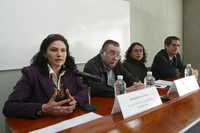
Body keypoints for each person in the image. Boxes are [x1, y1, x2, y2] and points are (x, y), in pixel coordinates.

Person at [3, 34, 88, 119]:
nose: (59, 54)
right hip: (43, 123)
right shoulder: (31, 73)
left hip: (68, 120)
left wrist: (75, 100)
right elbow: (9, 107)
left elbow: (84, 90)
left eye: (63, 50)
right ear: (45, 54)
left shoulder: (71, 71)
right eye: (54, 50)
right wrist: (43, 108)